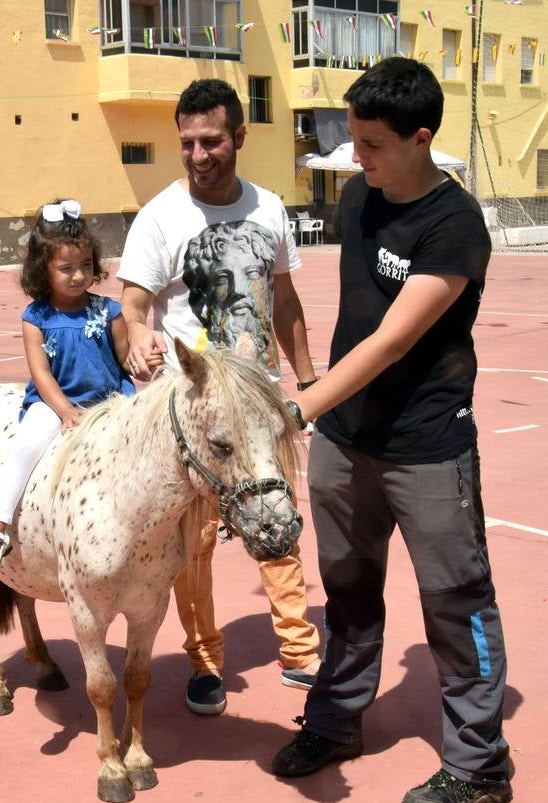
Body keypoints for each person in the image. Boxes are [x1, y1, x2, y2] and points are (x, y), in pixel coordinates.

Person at [272, 58, 512, 803]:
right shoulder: (358, 196)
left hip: (428, 446)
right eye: (353, 140)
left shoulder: (454, 224)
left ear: (421, 138)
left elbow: (389, 342)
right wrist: (319, 398)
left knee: (456, 600)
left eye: (372, 143)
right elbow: (350, 317)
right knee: (346, 595)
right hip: (347, 442)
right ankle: (337, 721)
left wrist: (297, 407)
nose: (357, 156)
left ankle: (479, 764)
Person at [117, 78, 321, 716]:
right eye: (187, 143)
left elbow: (284, 300)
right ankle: (205, 661)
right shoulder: (159, 217)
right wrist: (139, 337)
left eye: (212, 141)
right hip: (197, 419)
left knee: (278, 527)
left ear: (239, 136)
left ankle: (299, 648)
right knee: (193, 547)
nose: (199, 154)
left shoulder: (268, 208)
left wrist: (309, 383)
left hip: (261, 409)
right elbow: (133, 302)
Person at [0, 199, 133, 576]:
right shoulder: (36, 317)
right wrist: (64, 411)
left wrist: (148, 361)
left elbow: (126, 361)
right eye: (66, 269)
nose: (78, 276)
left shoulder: (109, 312)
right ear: (43, 270)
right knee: (26, 446)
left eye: (86, 266)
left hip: (110, 401)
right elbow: (41, 374)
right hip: (54, 402)